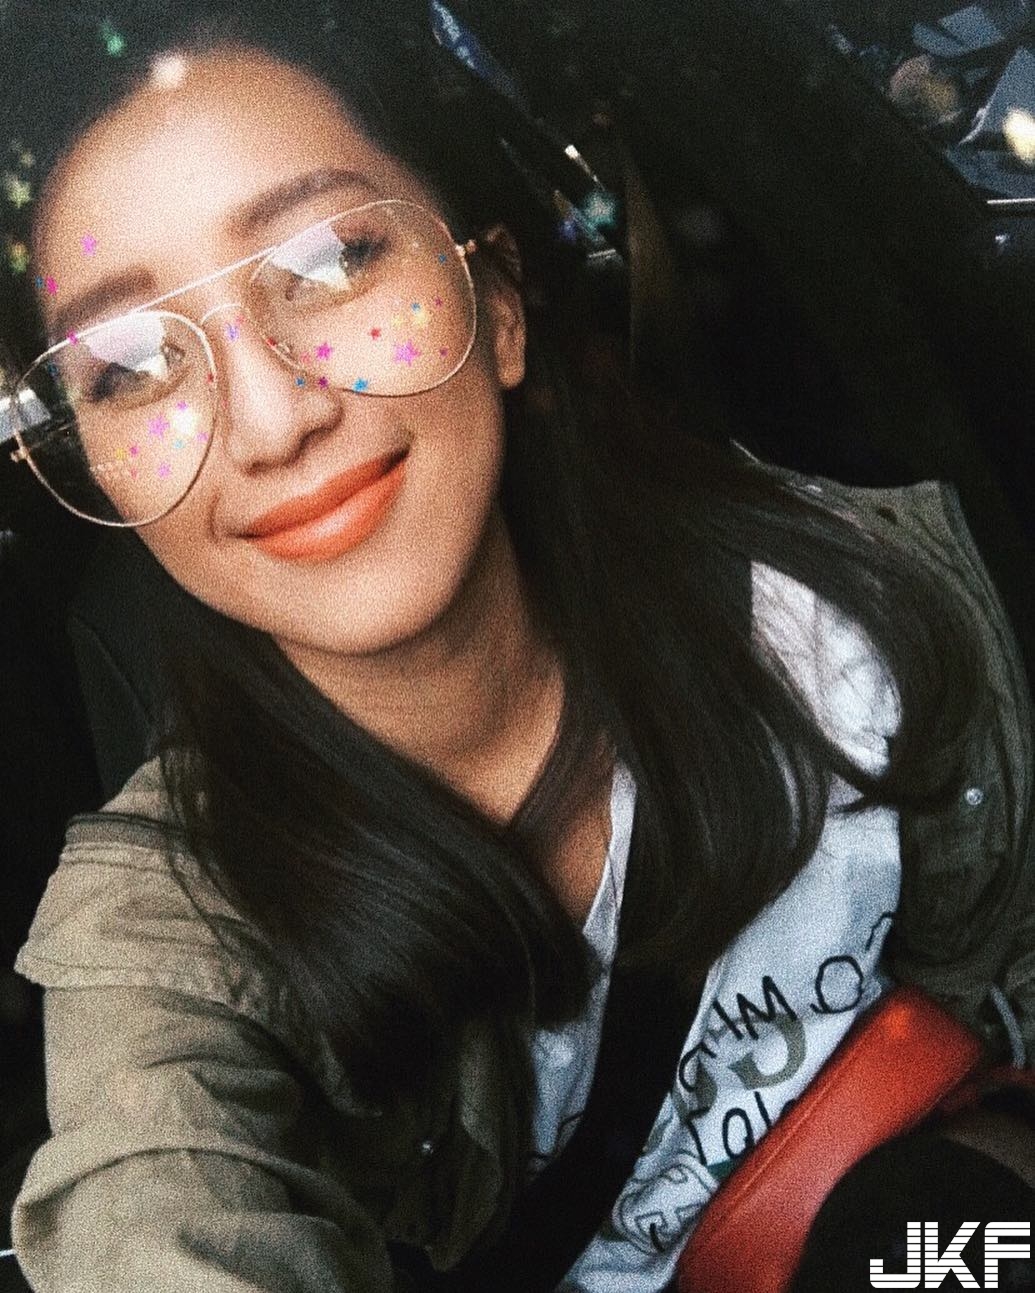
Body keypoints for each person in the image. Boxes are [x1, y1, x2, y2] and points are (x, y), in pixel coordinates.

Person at [1, 3, 1033, 1290]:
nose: (269, 422)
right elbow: (156, 1203)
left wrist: (963, 1203)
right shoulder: (172, 930)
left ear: (495, 307)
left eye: (328, 262)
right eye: (130, 365)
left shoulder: (841, 612)